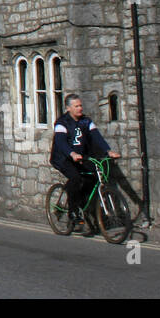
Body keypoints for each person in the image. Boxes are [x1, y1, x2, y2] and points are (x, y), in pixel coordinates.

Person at [51, 94, 120, 233]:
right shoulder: (62, 123)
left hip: (81, 157)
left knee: (93, 177)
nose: (80, 108)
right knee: (75, 178)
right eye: (76, 106)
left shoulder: (86, 121)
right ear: (68, 108)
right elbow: (61, 142)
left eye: (80, 105)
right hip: (63, 158)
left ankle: (81, 203)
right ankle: (72, 211)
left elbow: (97, 137)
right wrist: (72, 154)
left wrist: (108, 151)